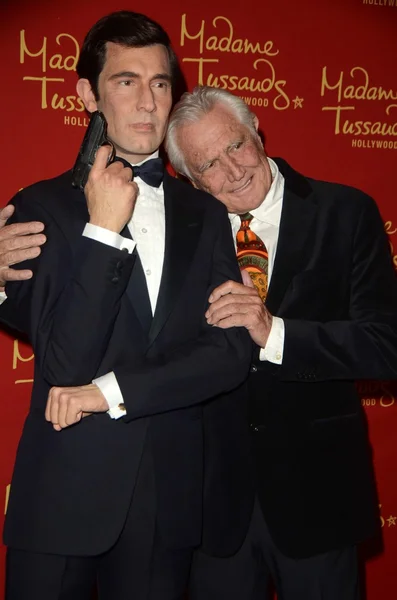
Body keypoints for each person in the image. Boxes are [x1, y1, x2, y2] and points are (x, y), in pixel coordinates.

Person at [0, 17, 253, 600]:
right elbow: (66, 365)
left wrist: (112, 392)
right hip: (63, 491)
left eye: (160, 84)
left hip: (168, 497)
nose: (147, 103)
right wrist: (104, 232)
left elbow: (226, 354)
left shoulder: (206, 214)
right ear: (88, 94)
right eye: (126, 82)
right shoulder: (38, 207)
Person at [163, 86, 397, 600]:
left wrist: (276, 334)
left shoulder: (347, 211)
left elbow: (386, 344)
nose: (234, 170)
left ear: (257, 131)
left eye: (237, 146)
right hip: (213, 507)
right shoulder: (176, 237)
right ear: (190, 180)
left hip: (319, 497)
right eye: (210, 165)